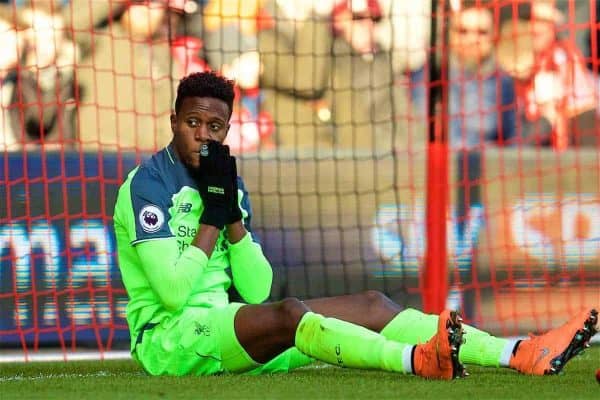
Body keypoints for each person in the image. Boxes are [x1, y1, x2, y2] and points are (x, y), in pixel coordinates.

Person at [113, 71, 598, 378]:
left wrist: (232, 217)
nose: (202, 135)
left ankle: (518, 351)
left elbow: (255, 289)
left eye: (214, 127)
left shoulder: (223, 182)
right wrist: (213, 223)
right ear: (173, 119)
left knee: (371, 303)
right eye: (192, 122)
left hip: (225, 331)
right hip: (170, 343)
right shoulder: (147, 185)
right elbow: (174, 295)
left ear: (228, 129)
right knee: (290, 315)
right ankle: (417, 361)